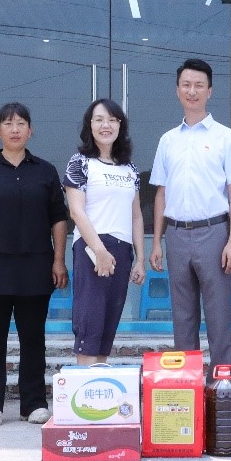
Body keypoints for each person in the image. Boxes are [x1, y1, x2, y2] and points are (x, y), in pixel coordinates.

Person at [0, 103, 69, 427]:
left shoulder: (45, 171)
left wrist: (59, 260)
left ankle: (33, 403)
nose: (15, 129)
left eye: (21, 123)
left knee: (33, 339)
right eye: (8, 124)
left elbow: (58, 219)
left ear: (30, 131)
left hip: (36, 269)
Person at [148, 59, 231, 369]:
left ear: (210, 91)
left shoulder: (226, 137)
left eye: (199, 85)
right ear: (177, 90)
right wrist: (156, 241)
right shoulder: (168, 140)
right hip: (176, 234)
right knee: (182, 316)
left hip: (214, 233)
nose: (192, 91)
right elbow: (161, 192)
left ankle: (221, 386)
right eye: (186, 85)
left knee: (219, 315)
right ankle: (186, 385)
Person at [62, 99, 146, 365]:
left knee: (108, 324)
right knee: (90, 323)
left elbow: (136, 215)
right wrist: (99, 250)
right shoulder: (80, 163)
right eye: (99, 119)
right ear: (90, 125)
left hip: (122, 250)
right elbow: (77, 212)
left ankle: (101, 384)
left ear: (120, 126)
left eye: (112, 120)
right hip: (92, 248)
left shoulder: (130, 168)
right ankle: (86, 385)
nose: (105, 125)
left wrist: (140, 258)